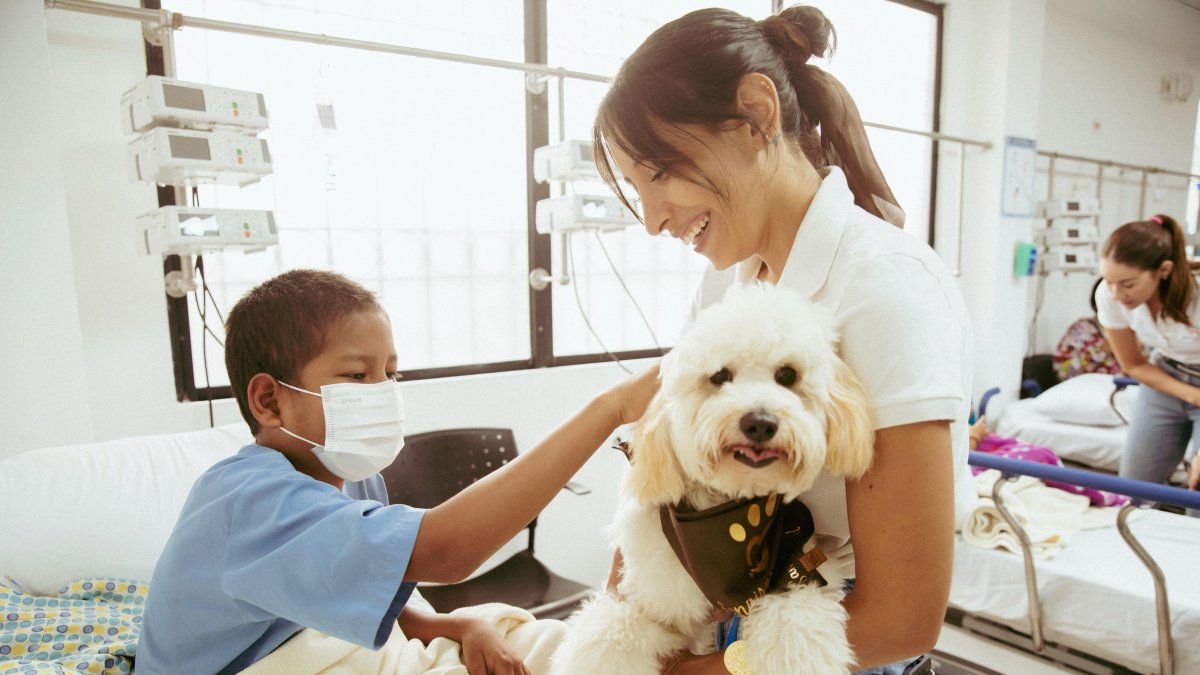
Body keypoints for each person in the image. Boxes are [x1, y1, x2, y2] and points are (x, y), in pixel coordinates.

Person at [592, 6, 974, 674]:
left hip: (833, 639)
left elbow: (903, 616)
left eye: (657, 173)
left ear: (756, 115)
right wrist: (622, 613)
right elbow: (660, 462)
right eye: (635, 188)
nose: (651, 219)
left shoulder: (886, 288)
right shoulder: (726, 286)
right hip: (729, 612)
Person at [136, 269, 658, 674]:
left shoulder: (353, 474)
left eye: (391, 372)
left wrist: (455, 624)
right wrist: (609, 409)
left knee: (556, 647)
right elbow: (446, 552)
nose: (383, 391)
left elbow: (376, 592)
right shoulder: (247, 502)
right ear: (269, 400)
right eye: (357, 375)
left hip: (343, 646)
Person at [1096, 214, 1200, 516]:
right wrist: (1192, 396)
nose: (1117, 294)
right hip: (1165, 377)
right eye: (1110, 282)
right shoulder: (1110, 295)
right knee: (1133, 491)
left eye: (1128, 284)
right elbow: (1134, 364)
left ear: (1163, 271)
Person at [1053, 277, 1122, 381]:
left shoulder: (1129, 329)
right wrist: (1102, 350)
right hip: (1084, 388)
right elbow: (1063, 370)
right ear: (1097, 302)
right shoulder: (1083, 329)